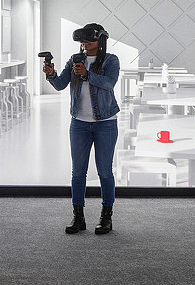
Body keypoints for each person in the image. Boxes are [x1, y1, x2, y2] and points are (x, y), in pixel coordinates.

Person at [42, 23, 120, 235]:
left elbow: (109, 83)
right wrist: (51, 74)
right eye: (82, 41)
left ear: (100, 41)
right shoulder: (74, 60)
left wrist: (86, 74)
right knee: (78, 173)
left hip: (106, 122)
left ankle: (106, 217)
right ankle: (78, 217)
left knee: (104, 171)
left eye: (89, 41)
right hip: (79, 123)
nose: (85, 44)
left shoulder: (111, 60)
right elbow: (60, 85)